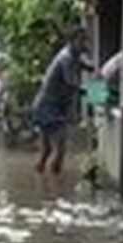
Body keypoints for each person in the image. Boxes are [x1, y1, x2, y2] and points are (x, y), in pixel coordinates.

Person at [32, 27, 91, 174]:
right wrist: (96, 93)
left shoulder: (73, 55)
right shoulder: (66, 58)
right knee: (60, 149)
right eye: (81, 40)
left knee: (47, 151)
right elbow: (72, 84)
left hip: (45, 105)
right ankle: (55, 190)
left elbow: (86, 66)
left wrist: (93, 68)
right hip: (49, 107)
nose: (84, 44)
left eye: (85, 40)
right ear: (71, 41)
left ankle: (42, 184)